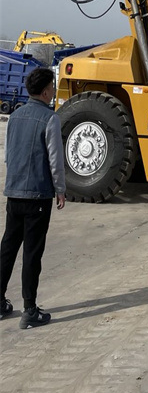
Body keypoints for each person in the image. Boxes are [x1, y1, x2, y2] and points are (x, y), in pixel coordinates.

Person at [0, 68, 66, 329]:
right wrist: (60, 189)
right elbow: (55, 160)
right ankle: (30, 310)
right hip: (38, 195)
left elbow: (8, 154)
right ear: (47, 91)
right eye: (52, 87)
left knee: (8, 248)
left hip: (13, 191)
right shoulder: (50, 119)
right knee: (32, 253)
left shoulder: (14, 117)